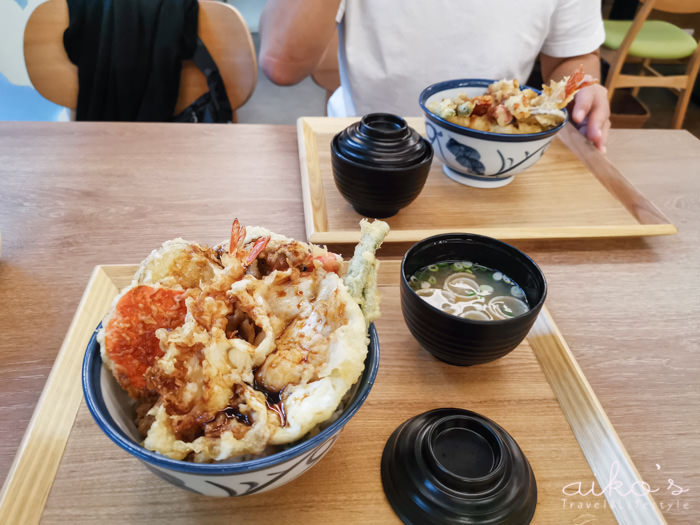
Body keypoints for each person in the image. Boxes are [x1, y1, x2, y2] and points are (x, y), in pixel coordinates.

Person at [259, 0, 611, 153]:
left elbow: (572, 53)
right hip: (364, 152)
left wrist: (585, 88)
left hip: (496, 159)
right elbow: (281, 64)